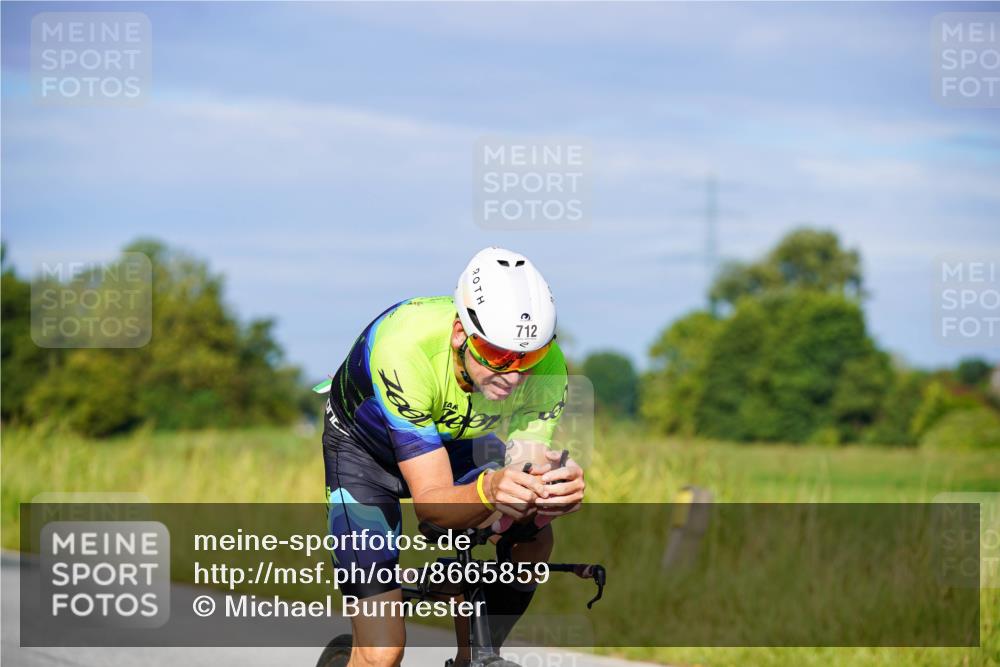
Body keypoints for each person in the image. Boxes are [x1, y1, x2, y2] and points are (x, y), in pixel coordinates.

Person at [314, 246, 585, 667]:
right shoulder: (406, 349)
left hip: (453, 440)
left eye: (529, 357)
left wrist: (553, 487)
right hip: (364, 451)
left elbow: (527, 467)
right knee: (381, 652)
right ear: (461, 333)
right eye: (498, 355)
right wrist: (490, 489)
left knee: (534, 527)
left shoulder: (548, 370)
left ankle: (476, 656)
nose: (514, 376)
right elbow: (432, 508)